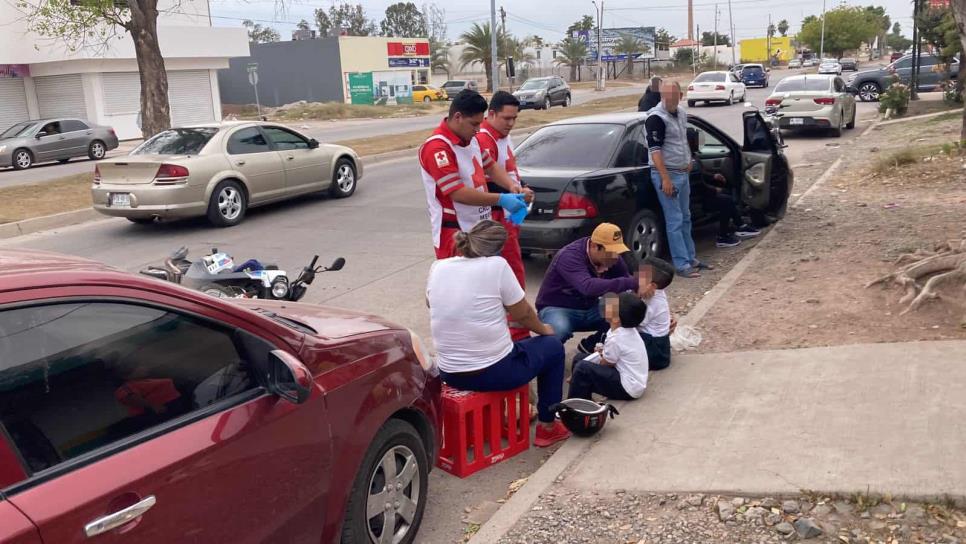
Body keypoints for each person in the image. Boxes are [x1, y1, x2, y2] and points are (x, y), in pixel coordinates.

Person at [427, 220, 571, 448]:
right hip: (492, 372)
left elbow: (431, 302)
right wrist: (545, 330)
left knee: (516, 345)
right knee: (552, 347)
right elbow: (523, 314)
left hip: (449, 371)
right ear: (499, 248)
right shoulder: (497, 265)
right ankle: (548, 427)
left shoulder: (439, 267)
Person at [418, 90, 529, 259]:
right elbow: (457, 193)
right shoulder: (438, 148)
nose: (478, 129)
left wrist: (511, 185)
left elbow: (490, 167)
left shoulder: (471, 140)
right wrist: (501, 199)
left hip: (480, 226)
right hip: (455, 233)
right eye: (474, 124)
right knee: (462, 283)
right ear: (458, 117)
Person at [477, 91, 533, 341]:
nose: (510, 123)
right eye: (506, 118)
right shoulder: (484, 139)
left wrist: (521, 189)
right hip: (497, 217)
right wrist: (514, 194)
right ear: (490, 114)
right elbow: (485, 181)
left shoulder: (503, 138)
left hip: (511, 215)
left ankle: (514, 328)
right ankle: (517, 332)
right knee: (510, 276)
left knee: (512, 274)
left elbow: (509, 173)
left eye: (514, 119)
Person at [535, 223, 644, 348]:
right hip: (558, 307)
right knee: (559, 330)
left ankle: (593, 346)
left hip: (591, 308)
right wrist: (632, 282)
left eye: (618, 252)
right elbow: (588, 287)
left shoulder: (613, 258)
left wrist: (648, 295)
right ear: (594, 246)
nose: (616, 257)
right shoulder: (569, 256)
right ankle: (545, 359)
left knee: (627, 315)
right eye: (611, 252)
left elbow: (626, 281)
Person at [645, 81, 707, 278]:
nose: (668, 100)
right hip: (667, 174)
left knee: (686, 217)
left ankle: (691, 257)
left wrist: (688, 160)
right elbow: (655, 151)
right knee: (675, 221)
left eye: (672, 97)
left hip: (682, 172)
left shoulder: (680, 113)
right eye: (665, 96)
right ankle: (681, 265)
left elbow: (681, 140)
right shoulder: (655, 118)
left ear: (680, 96)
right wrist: (665, 179)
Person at [686, 129, 761, 248]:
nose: (698, 142)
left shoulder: (692, 156)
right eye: (695, 140)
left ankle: (740, 226)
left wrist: (713, 176)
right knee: (725, 201)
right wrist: (713, 190)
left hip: (701, 194)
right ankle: (723, 236)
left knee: (726, 196)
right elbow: (695, 184)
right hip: (696, 199)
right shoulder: (688, 159)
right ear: (689, 142)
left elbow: (700, 175)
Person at [567, 292, 649, 401]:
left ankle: (575, 406)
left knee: (582, 368)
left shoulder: (617, 338)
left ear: (616, 318)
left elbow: (607, 362)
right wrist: (602, 353)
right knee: (579, 359)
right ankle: (582, 394)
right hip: (631, 379)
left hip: (628, 389)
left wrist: (600, 355)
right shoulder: (625, 329)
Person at [636, 257, 676, 371]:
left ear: (652, 286)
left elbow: (636, 321)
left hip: (654, 351)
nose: (636, 278)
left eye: (640, 276)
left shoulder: (650, 301)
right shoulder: (659, 294)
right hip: (660, 347)